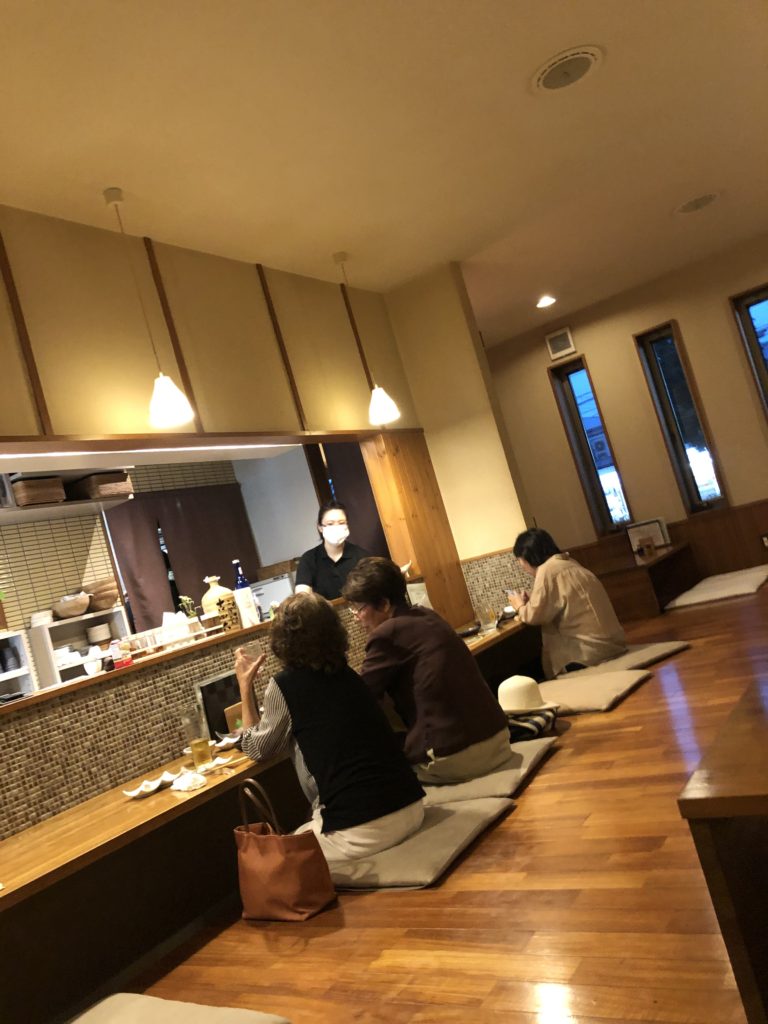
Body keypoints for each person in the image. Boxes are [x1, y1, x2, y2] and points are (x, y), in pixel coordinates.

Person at [235, 591, 424, 862]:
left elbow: (257, 749)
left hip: (363, 830)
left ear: (282, 639)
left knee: (282, 855)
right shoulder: (350, 676)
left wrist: (244, 686)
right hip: (411, 807)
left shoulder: (285, 685)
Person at [342, 557, 512, 785]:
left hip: (456, 756)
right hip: (497, 738)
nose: (356, 618)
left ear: (383, 604)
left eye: (359, 609)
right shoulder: (427, 615)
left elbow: (361, 698)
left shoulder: (388, 633)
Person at [508, 528, 627, 679]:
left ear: (527, 557)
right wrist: (532, 600)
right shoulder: (569, 562)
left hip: (588, 655)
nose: (522, 567)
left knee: (523, 672)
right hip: (613, 645)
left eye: (520, 561)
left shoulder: (547, 570)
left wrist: (519, 605)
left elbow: (534, 616)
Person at [294, 501, 370, 600]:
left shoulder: (362, 556)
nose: (336, 528)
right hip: (324, 610)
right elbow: (301, 596)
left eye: (341, 523)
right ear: (320, 527)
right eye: (330, 524)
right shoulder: (308, 559)